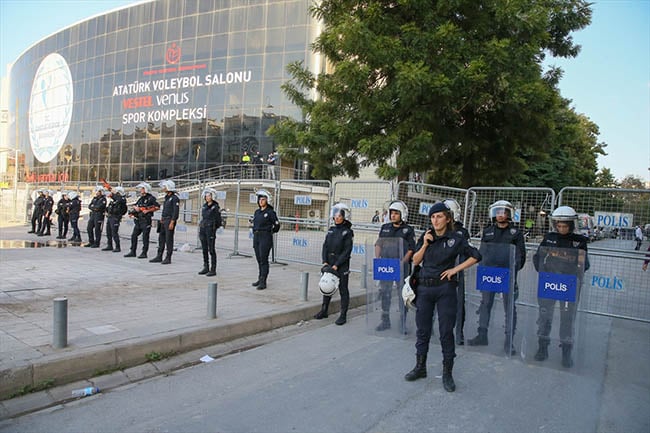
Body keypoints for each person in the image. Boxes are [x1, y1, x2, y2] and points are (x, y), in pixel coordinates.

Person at [404, 201, 481, 393]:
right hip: (424, 288)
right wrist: (425, 244)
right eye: (432, 217)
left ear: (447, 218)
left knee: (446, 331)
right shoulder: (426, 236)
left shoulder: (456, 238)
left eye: (439, 216)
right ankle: (420, 367)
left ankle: (447, 373)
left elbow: (476, 255)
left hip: (445, 289)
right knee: (423, 330)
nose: (435, 220)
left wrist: (455, 269)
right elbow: (415, 260)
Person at [532, 206, 589, 368]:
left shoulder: (580, 241)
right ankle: (542, 347)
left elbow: (584, 264)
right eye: (559, 225)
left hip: (569, 284)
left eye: (565, 225)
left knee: (567, 318)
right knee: (545, 315)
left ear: (571, 225)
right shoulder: (549, 237)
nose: (562, 228)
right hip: (549, 282)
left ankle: (566, 351)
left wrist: (573, 274)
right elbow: (538, 257)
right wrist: (544, 273)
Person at [467, 200, 526, 355]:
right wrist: (483, 268)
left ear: (509, 214)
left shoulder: (516, 233)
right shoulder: (487, 232)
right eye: (498, 212)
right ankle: (482, 335)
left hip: (507, 274)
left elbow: (521, 256)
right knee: (485, 304)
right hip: (489, 273)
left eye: (503, 212)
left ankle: (509, 341)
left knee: (509, 307)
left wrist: (513, 271)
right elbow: (483, 252)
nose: (500, 215)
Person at [374, 200, 416, 333]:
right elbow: (378, 244)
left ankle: (403, 322)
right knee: (385, 293)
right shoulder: (385, 227)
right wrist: (378, 259)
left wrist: (402, 262)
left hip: (401, 267)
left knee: (402, 294)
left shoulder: (408, 230)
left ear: (402, 214)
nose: (393, 216)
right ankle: (385, 320)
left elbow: (411, 249)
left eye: (396, 213)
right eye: (391, 213)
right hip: (386, 266)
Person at [314, 202, 354, 325]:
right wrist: (325, 262)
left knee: (343, 289)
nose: (336, 217)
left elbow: (347, 251)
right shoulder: (331, 230)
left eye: (339, 215)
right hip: (329, 263)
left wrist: (337, 265)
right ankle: (324, 310)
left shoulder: (348, 232)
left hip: (341, 265)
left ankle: (343, 314)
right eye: (335, 214)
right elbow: (325, 246)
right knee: (327, 287)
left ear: (345, 216)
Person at [444, 198, 471, 346]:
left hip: (456, 271)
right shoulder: (438, 229)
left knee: (459, 303)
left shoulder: (462, 232)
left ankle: (459, 332)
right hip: (439, 270)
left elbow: (468, 252)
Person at [251, 189, 280, 290]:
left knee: (264, 260)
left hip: (265, 237)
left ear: (267, 200)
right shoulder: (257, 212)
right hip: (257, 237)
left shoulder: (270, 212)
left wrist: (270, 231)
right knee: (259, 259)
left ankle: (263, 281)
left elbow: (276, 225)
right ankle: (260, 278)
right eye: (259, 200)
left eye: (263, 199)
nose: (261, 202)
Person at [124, 182, 160, 259]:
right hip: (138, 220)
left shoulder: (151, 198)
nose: (141, 190)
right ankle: (132, 251)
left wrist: (147, 210)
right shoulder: (141, 198)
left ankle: (144, 252)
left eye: (143, 188)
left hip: (146, 220)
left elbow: (157, 207)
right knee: (134, 236)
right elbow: (136, 206)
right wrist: (133, 213)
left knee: (145, 237)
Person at [150, 180, 180, 264]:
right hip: (164, 220)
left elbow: (175, 211)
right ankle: (159, 256)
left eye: (165, 187)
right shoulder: (167, 197)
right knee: (161, 238)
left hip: (170, 220)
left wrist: (172, 222)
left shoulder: (174, 198)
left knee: (169, 239)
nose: (163, 188)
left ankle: (168, 257)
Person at [198, 188, 222, 277]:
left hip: (210, 229)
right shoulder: (204, 206)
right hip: (203, 228)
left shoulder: (215, 207)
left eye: (209, 195)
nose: (207, 197)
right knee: (204, 249)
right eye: (206, 196)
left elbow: (218, 220)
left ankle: (213, 269)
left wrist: (214, 228)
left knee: (211, 249)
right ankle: (206, 266)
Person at [102, 186, 127, 252]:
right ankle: (109, 245)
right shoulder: (114, 200)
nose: (113, 194)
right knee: (108, 232)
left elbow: (118, 199)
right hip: (110, 216)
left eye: (115, 192)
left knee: (114, 232)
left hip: (115, 217)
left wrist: (111, 191)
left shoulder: (121, 199)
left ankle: (117, 247)